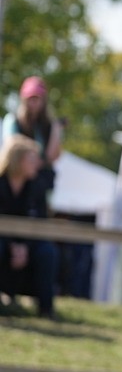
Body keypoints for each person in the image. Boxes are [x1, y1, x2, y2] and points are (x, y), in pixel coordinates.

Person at [0, 135, 59, 318]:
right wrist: (12, 245)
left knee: (47, 252)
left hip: (28, 244)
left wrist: (24, 247)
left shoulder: (37, 187)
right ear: (17, 160)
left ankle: (45, 309)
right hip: (3, 241)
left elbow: (40, 224)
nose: (37, 164)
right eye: (32, 159)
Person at [2, 76, 63, 218]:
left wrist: (56, 130)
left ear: (43, 100)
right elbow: (11, 149)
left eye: (37, 98)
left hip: (38, 180)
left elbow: (53, 157)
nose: (34, 103)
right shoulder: (13, 121)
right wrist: (31, 158)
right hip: (16, 178)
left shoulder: (48, 125)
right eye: (30, 98)